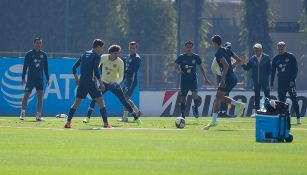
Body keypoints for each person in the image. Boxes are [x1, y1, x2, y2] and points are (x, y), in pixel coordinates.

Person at [82, 45, 142, 126]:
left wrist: (115, 83)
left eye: (118, 53)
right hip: (104, 83)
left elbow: (121, 76)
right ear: (110, 53)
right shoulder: (103, 57)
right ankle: (87, 118)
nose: (117, 55)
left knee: (124, 101)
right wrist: (96, 78)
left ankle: (136, 118)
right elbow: (96, 67)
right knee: (95, 99)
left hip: (114, 84)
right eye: (115, 53)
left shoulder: (120, 62)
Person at [64, 39, 110, 128]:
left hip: (82, 83)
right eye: (101, 48)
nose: (101, 50)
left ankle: (68, 123)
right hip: (91, 82)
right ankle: (106, 124)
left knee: (76, 103)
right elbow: (96, 71)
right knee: (101, 102)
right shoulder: (96, 56)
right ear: (98, 47)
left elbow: (73, 68)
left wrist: (77, 79)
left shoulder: (84, 54)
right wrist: (101, 83)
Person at [204, 35, 245, 130]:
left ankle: (214, 121)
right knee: (220, 97)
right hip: (233, 78)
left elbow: (225, 65)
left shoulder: (218, 53)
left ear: (214, 43)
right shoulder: (228, 50)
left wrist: (222, 79)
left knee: (218, 98)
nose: (212, 45)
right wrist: (233, 66)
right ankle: (238, 104)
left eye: (212, 43)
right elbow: (239, 60)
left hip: (227, 78)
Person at [174, 40, 211, 119]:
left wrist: (205, 78)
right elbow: (175, 68)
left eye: (190, 47)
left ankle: (195, 108)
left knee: (194, 95)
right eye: (187, 47)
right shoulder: (181, 57)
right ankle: (183, 114)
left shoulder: (196, 57)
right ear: (185, 48)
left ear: (192, 47)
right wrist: (178, 72)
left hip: (193, 80)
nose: (189, 49)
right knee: (183, 97)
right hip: (184, 81)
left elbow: (201, 67)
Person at [271, 42, 301, 124]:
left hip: (291, 82)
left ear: (285, 48)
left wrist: (292, 80)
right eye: (279, 49)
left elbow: (296, 69)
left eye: (282, 48)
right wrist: (271, 83)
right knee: (281, 101)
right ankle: (283, 118)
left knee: (294, 99)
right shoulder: (275, 59)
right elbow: (273, 72)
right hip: (281, 83)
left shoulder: (291, 56)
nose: (281, 50)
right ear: (277, 49)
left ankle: (298, 118)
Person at [20, 38, 49, 121]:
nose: (38, 44)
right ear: (34, 44)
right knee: (26, 96)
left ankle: (38, 115)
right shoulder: (29, 54)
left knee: (40, 97)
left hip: (39, 79)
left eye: (40, 43)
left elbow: (46, 68)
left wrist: (47, 78)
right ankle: (22, 113)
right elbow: (25, 67)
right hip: (30, 79)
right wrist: (23, 77)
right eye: (37, 43)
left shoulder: (44, 55)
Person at [242, 43, 271, 117]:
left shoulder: (267, 57)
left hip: (265, 81)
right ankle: (257, 112)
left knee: (267, 96)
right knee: (257, 96)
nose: (256, 50)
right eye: (255, 49)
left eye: (257, 49)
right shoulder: (252, 58)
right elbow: (247, 68)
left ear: (261, 49)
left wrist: (266, 77)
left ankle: (269, 111)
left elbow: (269, 69)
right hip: (256, 81)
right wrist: (242, 63)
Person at [211, 42, 238, 117]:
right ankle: (223, 111)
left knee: (220, 96)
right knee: (221, 96)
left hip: (224, 77)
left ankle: (222, 112)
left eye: (230, 47)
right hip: (226, 77)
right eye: (227, 47)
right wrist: (218, 74)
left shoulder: (221, 54)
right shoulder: (227, 54)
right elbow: (213, 68)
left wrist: (222, 78)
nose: (228, 49)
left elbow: (228, 66)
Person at [118, 41, 141, 122]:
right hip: (126, 80)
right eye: (131, 48)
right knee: (125, 98)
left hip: (131, 81)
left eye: (134, 48)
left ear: (136, 48)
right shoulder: (128, 57)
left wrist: (126, 71)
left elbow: (134, 70)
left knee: (126, 98)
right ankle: (137, 112)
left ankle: (125, 117)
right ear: (129, 48)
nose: (132, 49)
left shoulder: (137, 58)